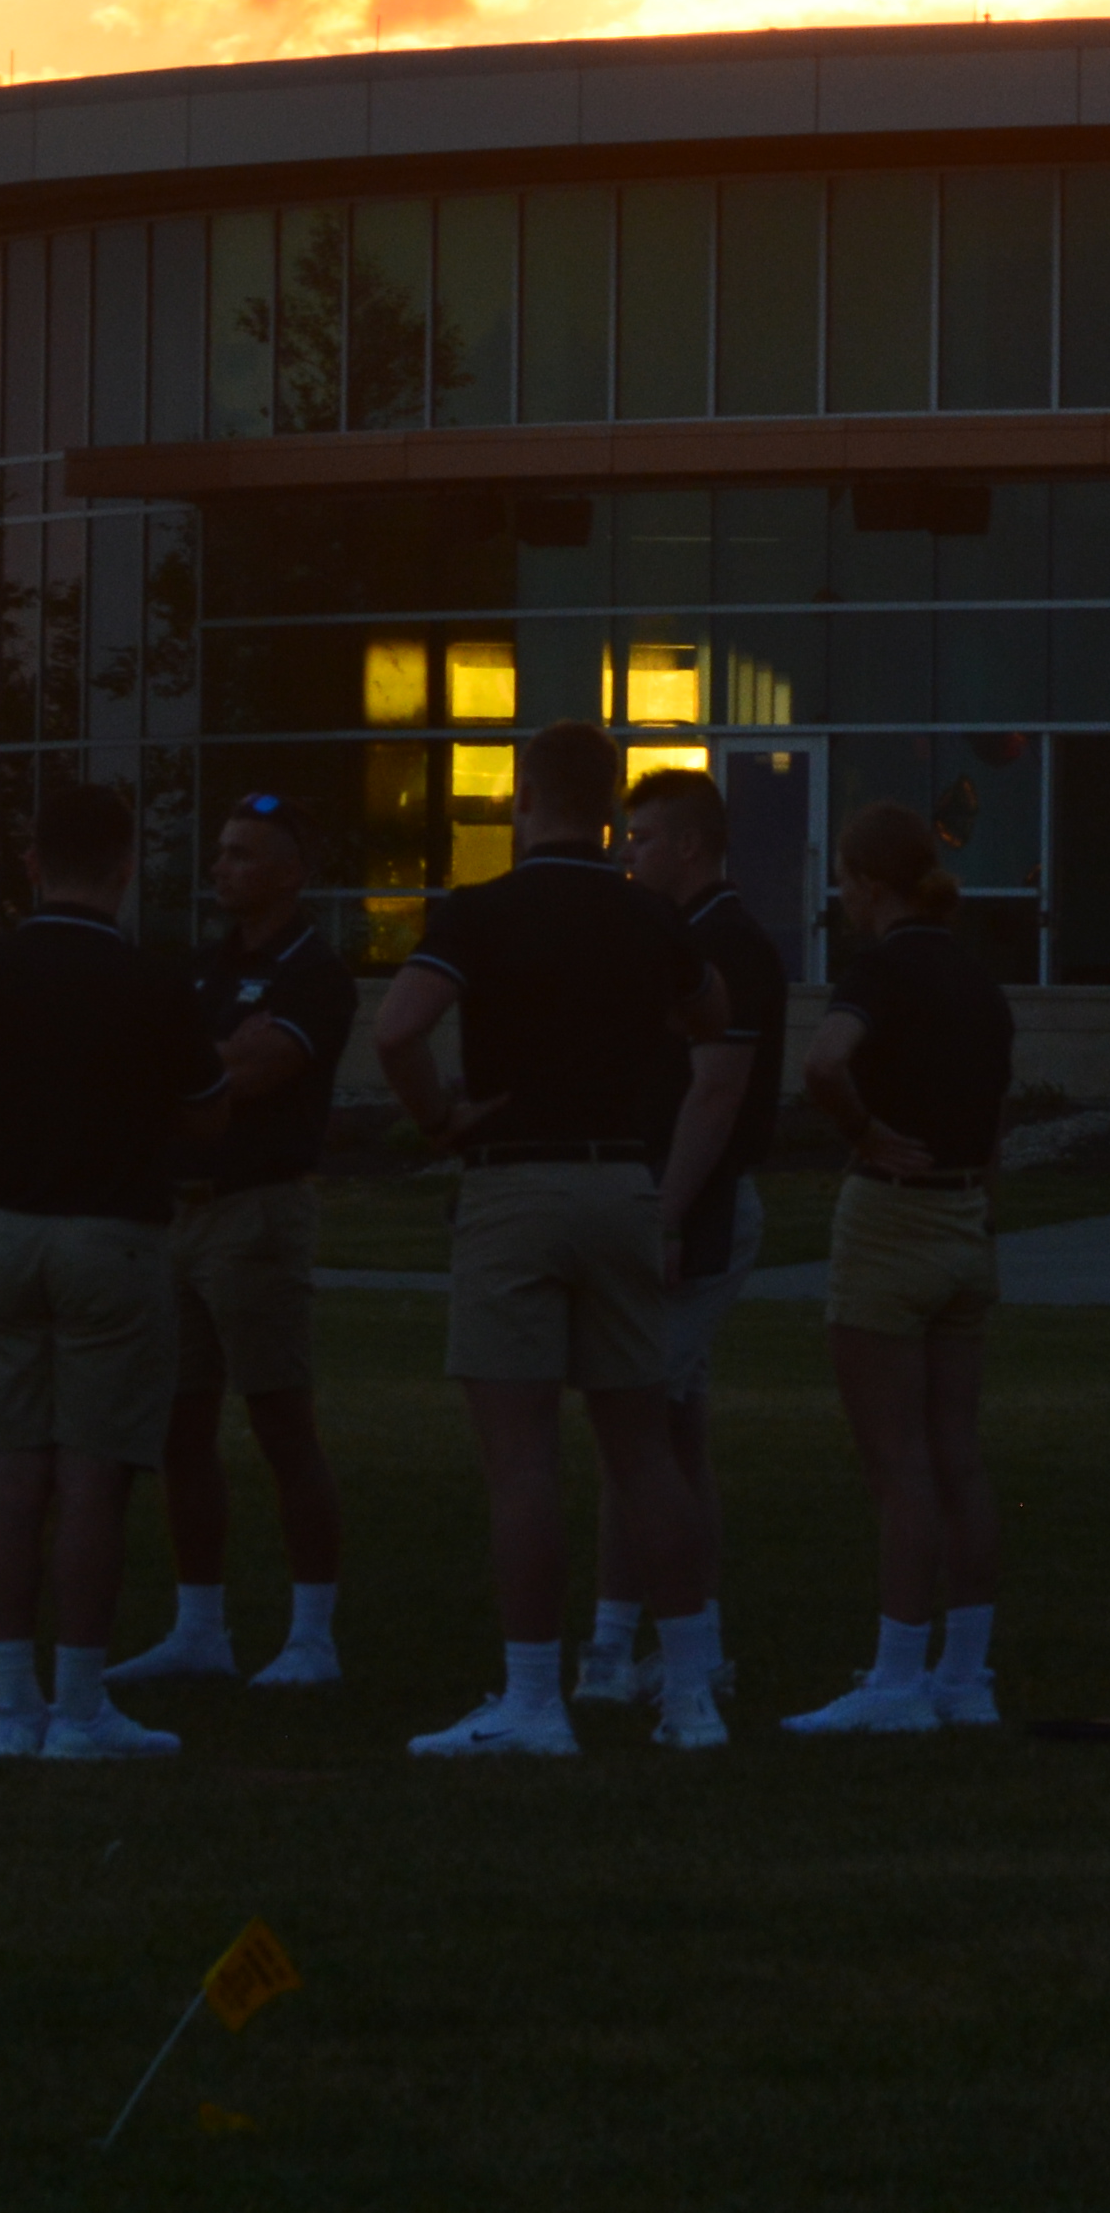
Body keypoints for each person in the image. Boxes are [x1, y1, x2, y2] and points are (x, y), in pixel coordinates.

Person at [368, 721, 747, 1758]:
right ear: (608, 804)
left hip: (515, 1182)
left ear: (527, 794)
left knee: (523, 1459)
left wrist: (438, 1113)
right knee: (643, 1452)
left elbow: (398, 1026)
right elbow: (712, 1015)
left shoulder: (482, 913)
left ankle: (534, 1698)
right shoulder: (646, 915)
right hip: (622, 1179)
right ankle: (692, 1694)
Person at [0, 780, 223, 1761]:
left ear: (32, 861)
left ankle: (14, 1705)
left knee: (13, 1473)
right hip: (112, 1237)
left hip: (3, 1231)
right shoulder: (152, 983)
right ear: (127, 865)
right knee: (96, 1474)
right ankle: (82, 1703)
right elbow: (204, 1109)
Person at [785, 798, 1017, 1736]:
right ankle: (965, 1675)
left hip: (890, 1222)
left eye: (842, 877)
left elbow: (824, 1063)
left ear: (869, 883)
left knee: (899, 1467)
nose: (839, 895)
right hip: (967, 1218)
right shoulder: (977, 978)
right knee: (959, 1458)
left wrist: (864, 1133)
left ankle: (894, 1679)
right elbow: (995, 1111)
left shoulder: (879, 969)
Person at [118, 793, 353, 1694]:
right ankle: (199, 1628)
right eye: (220, 853)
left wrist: (200, 1066)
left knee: (280, 1423)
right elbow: (167, 1072)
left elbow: (254, 1073)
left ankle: (311, 1636)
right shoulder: (202, 969)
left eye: (244, 854)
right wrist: (206, 1062)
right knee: (182, 1426)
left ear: (291, 873)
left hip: (258, 1213)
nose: (221, 868)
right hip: (179, 1211)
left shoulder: (313, 974)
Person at [591, 763, 785, 1710]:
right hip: (685, 1205)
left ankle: (654, 1653)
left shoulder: (726, 945)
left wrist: (664, 1216)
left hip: (694, 1212)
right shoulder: (692, 938)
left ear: (693, 845)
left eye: (643, 840)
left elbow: (718, 1092)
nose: (629, 857)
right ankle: (657, 1646)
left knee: (637, 1433)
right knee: (670, 1432)